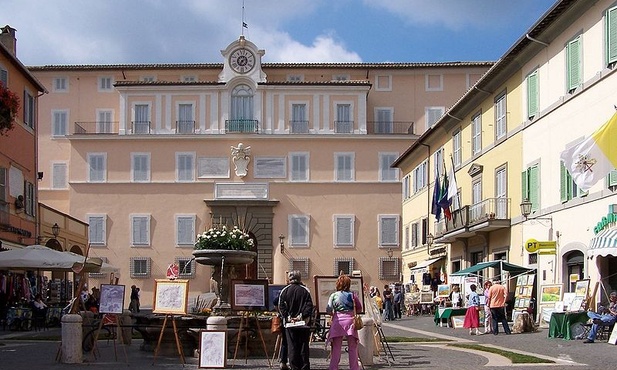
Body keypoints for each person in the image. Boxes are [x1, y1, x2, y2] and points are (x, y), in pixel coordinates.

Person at [278, 270, 314, 370]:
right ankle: (304, 366)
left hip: (289, 324)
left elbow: (281, 307)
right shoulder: (305, 290)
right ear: (299, 278)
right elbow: (309, 306)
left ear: (290, 279)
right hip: (303, 323)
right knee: (303, 346)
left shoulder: (284, 291)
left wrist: (288, 317)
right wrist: (300, 316)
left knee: (292, 346)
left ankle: (294, 366)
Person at [326, 274, 363, 370]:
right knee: (352, 347)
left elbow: (328, 309)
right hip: (350, 322)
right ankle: (354, 368)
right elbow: (359, 308)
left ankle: (333, 367)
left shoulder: (333, 295)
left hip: (337, 322)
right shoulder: (352, 295)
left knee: (336, 348)